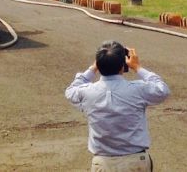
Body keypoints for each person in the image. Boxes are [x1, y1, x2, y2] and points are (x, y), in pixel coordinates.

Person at [65, 41, 170, 172]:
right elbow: (162, 90)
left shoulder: (87, 92)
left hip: (103, 163)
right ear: (123, 66)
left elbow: (70, 90)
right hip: (135, 162)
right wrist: (137, 67)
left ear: (99, 64)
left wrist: (92, 68)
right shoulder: (137, 89)